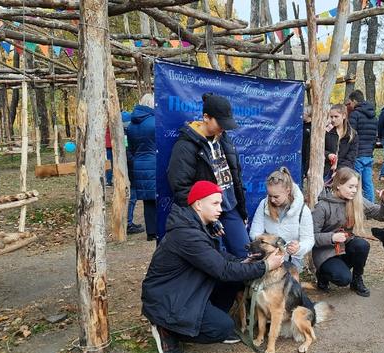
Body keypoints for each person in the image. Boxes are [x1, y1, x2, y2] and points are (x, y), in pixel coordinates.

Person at [142, 181, 285, 353]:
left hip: (186, 288)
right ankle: (168, 328)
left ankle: (204, 318)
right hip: (167, 300)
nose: (221, 208)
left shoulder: (199, 225)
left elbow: (218, 257)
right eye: (215, 203)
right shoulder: (187, 234)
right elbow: (222, 270)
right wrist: (265, 266)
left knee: (234, 280)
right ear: (199, 204)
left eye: (220, 203)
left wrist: (244, 261)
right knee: (223, 328)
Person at [168, 93, 250, 258]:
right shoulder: (185, 146)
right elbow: (181, 187)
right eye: (220, 123)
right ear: (206, 117)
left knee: (245, 254)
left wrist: (242, 209)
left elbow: (235, 174)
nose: (224, 127)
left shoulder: (224, 139)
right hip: (205, 214)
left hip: (230, 206)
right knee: (214, 260)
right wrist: (207, 218)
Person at [312, 167, 384, 297]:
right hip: (325, 251)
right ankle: (322, 274)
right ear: (338, 185)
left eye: (356, 187)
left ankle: (356, 280)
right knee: (343, 279)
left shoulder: (355, 200)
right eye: (350, 187)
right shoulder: (322, 206)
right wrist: (332, 237)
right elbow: (311, 237)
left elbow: (381, 215)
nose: (354, 190)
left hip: (345, 245)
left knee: (362, 245)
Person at [249, 167, 314, 270]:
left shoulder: (303, 210)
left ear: (288, 191)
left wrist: (298, 247)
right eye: (269, 195)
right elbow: (254, 233)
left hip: (292, 259)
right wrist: (268, 245)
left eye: (276, 196)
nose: (272, 200)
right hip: (267, 255)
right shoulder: (263, 204)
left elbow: (309, 240)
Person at [127, 93, 158, 241]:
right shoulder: (155, 122)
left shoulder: (132, 125)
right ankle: (160, 228)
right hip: (154, 163)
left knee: (148, 200)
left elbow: (130, 149)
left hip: (139, 164)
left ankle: (151, 232)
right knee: (159, 197)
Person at [347, 90, 378, 202]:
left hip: (358, 154)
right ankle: (371, 206)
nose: (349, 105)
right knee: (368, 183)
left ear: (355, 101)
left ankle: (357, 206)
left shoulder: (355, 115)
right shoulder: (373, 116)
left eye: (350, 103)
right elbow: (375, 136)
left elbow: (351, 135)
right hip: (368, 154)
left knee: (356, 183)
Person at [324, 104, 358, 181]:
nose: (333, 119)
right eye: (331, 117)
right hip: (326, 171)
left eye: (336, 116)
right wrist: (328, 155)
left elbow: (351, 157)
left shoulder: (352, 134)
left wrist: (339, 170)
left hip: (344, 172)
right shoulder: (326, 131)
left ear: (344, 116)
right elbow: (319, 149)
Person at [301, 106, 312, 179]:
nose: (302, 114)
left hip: (307, 156)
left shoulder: (313, 126)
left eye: (303, 113)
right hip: (300, 154)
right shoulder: (301, 124)